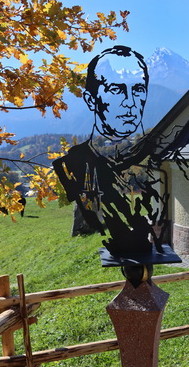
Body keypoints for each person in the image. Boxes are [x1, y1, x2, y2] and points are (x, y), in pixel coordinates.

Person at [53, 45, 165, 256]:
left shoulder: (157, 156)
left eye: (138, 90)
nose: (130, 103)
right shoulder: (71, 166)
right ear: (91, 100)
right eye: (116, 90)